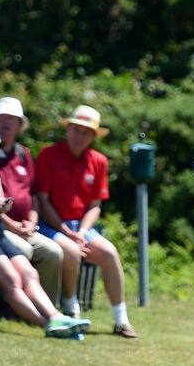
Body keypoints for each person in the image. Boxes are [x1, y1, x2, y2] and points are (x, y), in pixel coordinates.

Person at [0, 125, 89, 338]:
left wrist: (2, 206)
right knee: (12, 281)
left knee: (29, 274)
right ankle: (47, 325)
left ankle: (56, 316)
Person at [35, 105, 138, 338]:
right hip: (50, 225)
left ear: (93, 137)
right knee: (71, 252)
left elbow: (95, 206)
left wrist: (81, 232)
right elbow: (42, 201)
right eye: (76, 129)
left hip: (81, 228)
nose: (79, 136)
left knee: (109, 253)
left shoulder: (98, 161)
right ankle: (71, 308)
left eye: (86, 132)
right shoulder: (49, 155)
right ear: (68, 129)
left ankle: (121, 320)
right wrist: (66, 232)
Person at [0, 97, 64, 314]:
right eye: (1, 118)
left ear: (19, 125)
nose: (6, 123)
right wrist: (11, 225)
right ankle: (10, 304)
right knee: (23, 250)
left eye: (11, 119)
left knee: (54, 253)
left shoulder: (23, 154)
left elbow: (32, 195)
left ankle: (45, 310)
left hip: (25, 227)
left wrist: (32, 222)